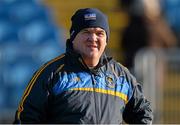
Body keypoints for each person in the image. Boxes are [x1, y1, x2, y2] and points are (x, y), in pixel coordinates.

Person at [13, 8, 153, 124]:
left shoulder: (122, 76)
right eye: (86, 32)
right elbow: (25, 118)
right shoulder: (52, 73)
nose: (93, 38)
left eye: (100, 33)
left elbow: (143, 113)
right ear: (73, 37)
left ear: (106, 40)